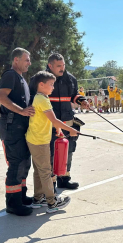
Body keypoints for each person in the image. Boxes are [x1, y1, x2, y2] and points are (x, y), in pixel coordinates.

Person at [29, 53, 88, 192]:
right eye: (59, 66)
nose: (62, 69)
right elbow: (32, 97)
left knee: (68, 150)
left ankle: (64, 179)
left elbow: (74, 95)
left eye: (63, 65)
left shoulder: (70, 79)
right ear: (50, 66)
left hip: (68, 121)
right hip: (49, 123)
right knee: (51, 153)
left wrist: (82, 100)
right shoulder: (40, 79)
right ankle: (51, 185)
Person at [26, 71, 76, 213]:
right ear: (41, 85)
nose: (53, 87)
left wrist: (59, 131)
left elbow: (49, 119)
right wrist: (69, 130)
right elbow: (54, 119)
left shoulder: (40, 97)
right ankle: (52, 202)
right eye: (51, 85)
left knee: (38, 170)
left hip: (34, 139)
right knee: (46, 172)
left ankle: (38, 198)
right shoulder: (43, 99)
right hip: (39, 140)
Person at [0, 47, 35, 216]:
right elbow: (1, 97)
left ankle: (21, 195)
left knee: (25, 162)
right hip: (12, 127)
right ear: (16, 60)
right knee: (16, 164)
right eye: (26, 59)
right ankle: (12, 204)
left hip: (21, 127)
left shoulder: (21, 79)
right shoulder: (10, 75)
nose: (29, 63)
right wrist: (21, 111)